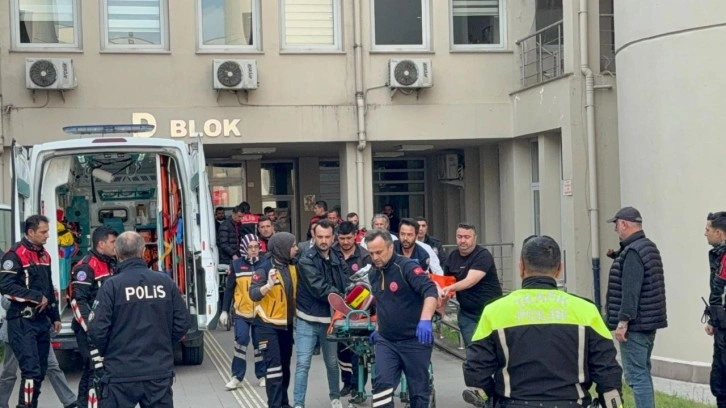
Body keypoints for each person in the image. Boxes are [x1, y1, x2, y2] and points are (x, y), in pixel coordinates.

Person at [464, 236, 623, 407]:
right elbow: (608, 372)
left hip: (514, 403)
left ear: (521, 267)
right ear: (559, 269)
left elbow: (476, 371)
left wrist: (493, 397)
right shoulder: (586, 310)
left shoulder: (494, 311)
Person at [88, 231, 191, 408]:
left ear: (117, 253)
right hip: (158, 370)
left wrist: (111, 351)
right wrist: (163, 343)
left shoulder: (111, 286)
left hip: (120, 372)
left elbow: (97, 329)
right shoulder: (165, 282)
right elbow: (183, 322)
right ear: (143, 251)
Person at [365, 229, 438, 408]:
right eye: (371, 253)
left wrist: (425, 319)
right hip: (387, 341)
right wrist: (378, 328)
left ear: (390, 247)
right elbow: (382, 302)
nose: (375, 257)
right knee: (382, 387)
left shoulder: (407, 267)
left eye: (379, 252)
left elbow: (430, 291)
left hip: (414, 340)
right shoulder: (373, 273)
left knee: (418, 392)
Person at [605, 207, 667, 408]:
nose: (615, 229)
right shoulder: (647, 247)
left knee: (636, 376)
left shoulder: (633, 252)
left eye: (616, 224)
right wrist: (616, 256)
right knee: (643, 372)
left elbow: (631, 291)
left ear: (624, 224)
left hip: (635, 326)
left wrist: (623, 322)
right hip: (648, 323)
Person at [0, 215, 62, 408]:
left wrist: (55, 316)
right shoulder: (14, 255)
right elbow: (5, 287)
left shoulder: (45, 255)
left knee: (40, 372)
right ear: (30, 232)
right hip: (21, 321)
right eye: (43, 232)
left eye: (47, 231)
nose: (47, 235)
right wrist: (35, 297)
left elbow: (48, 288)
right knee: (31, 372)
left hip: (42, 321)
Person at [293, 220, 348, 408]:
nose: (324, 240)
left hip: (330, 320)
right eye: (320, 237)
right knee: (303, 364)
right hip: (306, 318)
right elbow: (319, 287)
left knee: (332, 363)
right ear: (313, 237)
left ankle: (335, 398)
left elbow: (347, 281)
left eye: (327, 237)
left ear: (333, 238)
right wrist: (342, 296)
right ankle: (298, 403)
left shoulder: (338, 258)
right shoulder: (305, 260)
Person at [0, 292, 77, 408]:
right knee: (9, 372)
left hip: (39, 331)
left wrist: (54, 317)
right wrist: (27, 299)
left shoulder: (39, 282)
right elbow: (5, 303)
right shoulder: (13, 282)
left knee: (52, 366)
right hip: (15, 333)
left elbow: (50, 299)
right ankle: (2, 403)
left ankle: (70, 401)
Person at [249, 232, 299, 408]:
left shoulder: (292, 266)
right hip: (266, 325)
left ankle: (284, 403)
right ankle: (275, 405)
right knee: (274, 369)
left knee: (284, 367)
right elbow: (253, 293)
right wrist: (268, 286)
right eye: (293, 246)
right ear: (283, 248)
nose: (296, 249)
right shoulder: (264, 268)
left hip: (286, 325)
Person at [70, 226, 118, 407]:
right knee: (95, 370)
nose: (116, 246)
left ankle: (82, 404)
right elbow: (77, 301)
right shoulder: (85, 267)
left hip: (106, 328)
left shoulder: (112, 263)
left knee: (92, 370)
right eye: (113, 242)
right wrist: (91, 329)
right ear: (101, 244)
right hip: (89, 330)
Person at [221, 234, 270, 390]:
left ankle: (262, 375)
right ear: (244, 249)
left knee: (260, 345)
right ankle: (236, 377)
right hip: (242, 312)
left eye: (256, 247)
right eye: (250, 247)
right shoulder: (236, 265)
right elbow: (229, 290)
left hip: (260, 313)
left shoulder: (266, 263)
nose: (254, 250)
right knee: (241, 342)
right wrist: (224, 311)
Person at [442, 223, 502, 348]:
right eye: (459, 237)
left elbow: (471, 280)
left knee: (494, 351)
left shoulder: (483, 255)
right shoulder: (452, 257)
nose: (463, 240)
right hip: (468, 315)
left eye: (467, 237)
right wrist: (439, 312)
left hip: (491, 312)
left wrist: (451, 287)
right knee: (474, 350)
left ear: (475, 238)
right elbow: (445, 287)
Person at [333, 221, 372, 401]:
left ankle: (358, 386)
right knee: (342, 348)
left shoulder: (364, 256)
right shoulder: (332, 253)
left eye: (349, 238)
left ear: (355, 235)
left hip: (361, 309)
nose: (345, 242)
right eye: (342, 238)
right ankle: (347, 382)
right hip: (338, 307)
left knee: (358, 349)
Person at [366, 215, 444, 275]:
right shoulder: (390, 248)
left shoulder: (423, 255)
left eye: (409, 235)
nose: (405, 238)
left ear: (416, 235)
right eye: (402, 234)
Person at [704, 211, 726, 407]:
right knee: (719, 381)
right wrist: (713, 319)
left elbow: (721, 290)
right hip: (721, 325)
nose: (705, 233)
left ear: (719, 233)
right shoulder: (719, 255)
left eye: (708, 229)